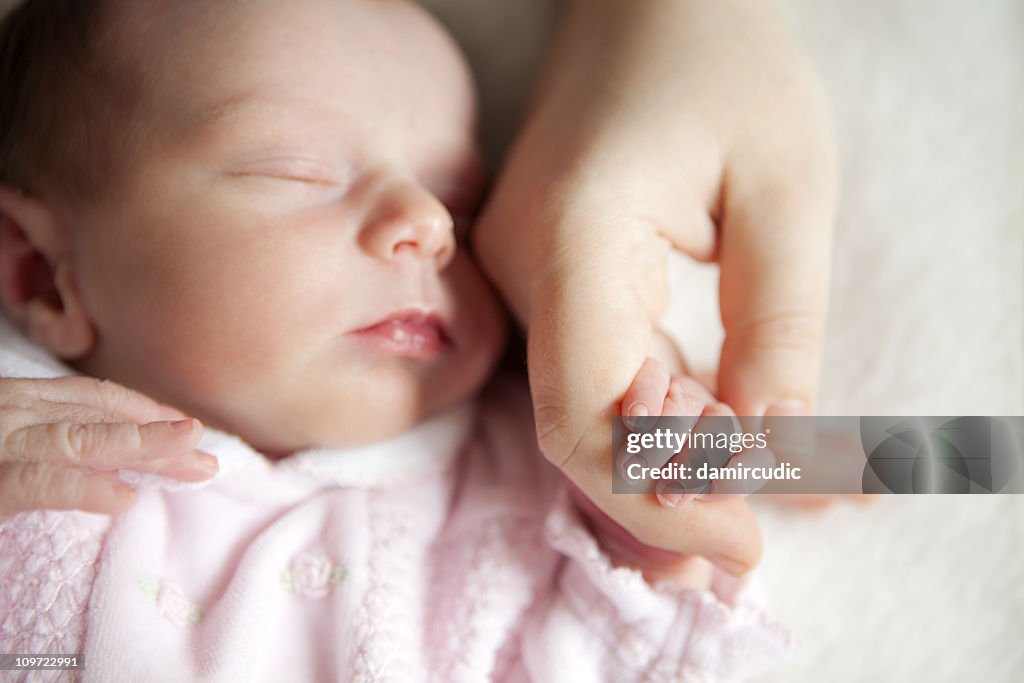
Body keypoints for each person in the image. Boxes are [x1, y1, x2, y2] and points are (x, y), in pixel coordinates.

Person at [0, 0, 789, 679]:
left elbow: (623, 652)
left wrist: (640, 549)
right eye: (298, 172)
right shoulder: (21, 448)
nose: (431, 224)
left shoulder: (538, 467)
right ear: (43, 273)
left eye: (463, 200)